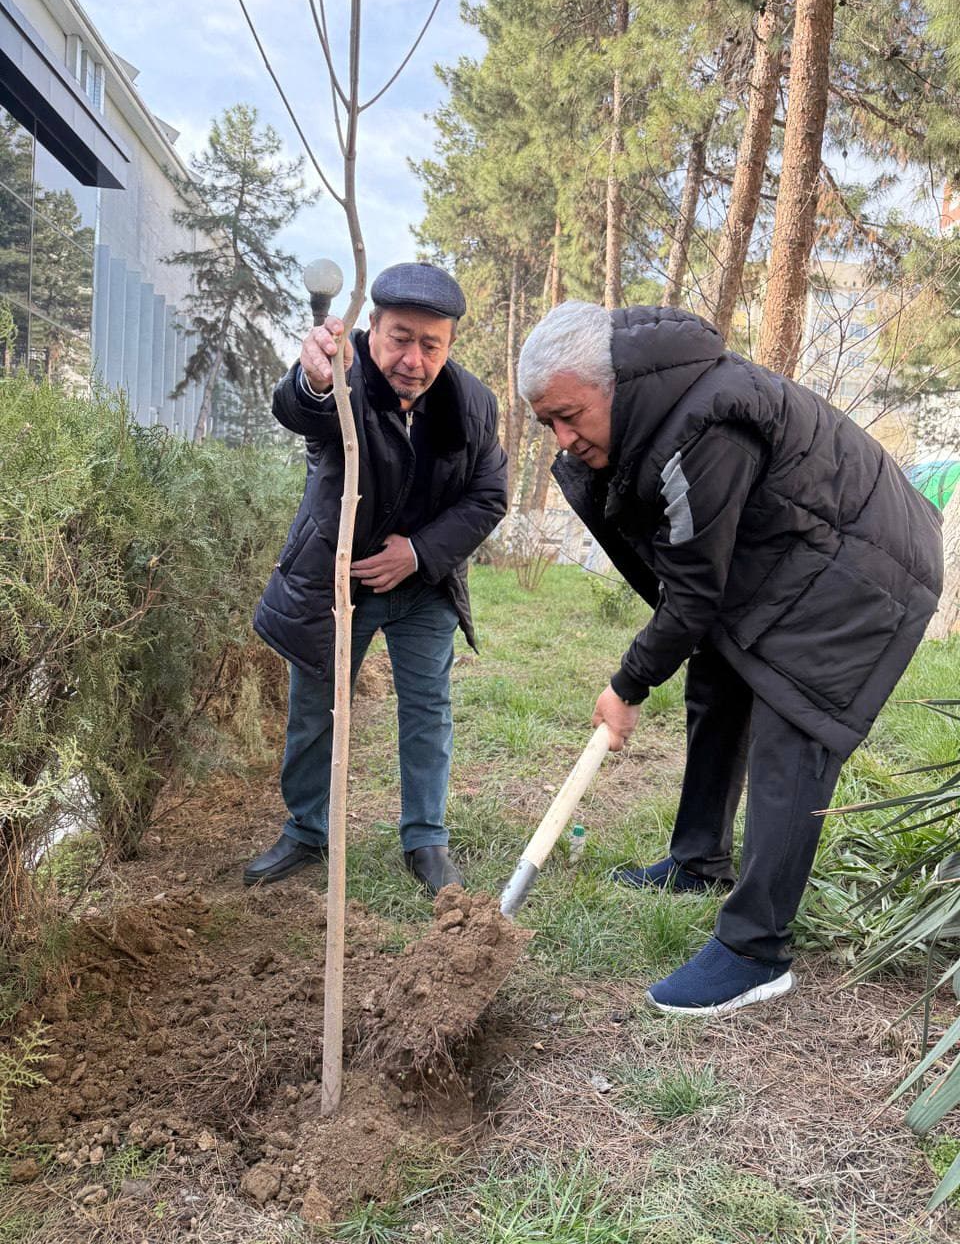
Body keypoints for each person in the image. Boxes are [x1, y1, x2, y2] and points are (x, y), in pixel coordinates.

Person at [517, 300, 943, 1015]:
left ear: (614, 384)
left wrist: (627, 684)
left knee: (792, 728)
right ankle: (697, 861)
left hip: (868, 568)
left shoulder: (702, 423)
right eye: (546, 424)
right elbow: (692, 590)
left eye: (570, 415)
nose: (562, 439)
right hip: (796, 551)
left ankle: (755, 951)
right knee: (716, 682)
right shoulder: (657, 416)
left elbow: (691, 590)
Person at [247, 263, 508, 894]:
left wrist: (417, 553)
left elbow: (489, 495)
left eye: (431, 344)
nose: (413, 359)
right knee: (315, 710)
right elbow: (298, 410)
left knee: (428, 712)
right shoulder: (340, 378)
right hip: (340, 587)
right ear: (372, 327)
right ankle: (307, 831)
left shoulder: (472, 402)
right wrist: (312, 380)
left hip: (424, 590)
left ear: (449, 346)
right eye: (400, 337)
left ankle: (426, 840)